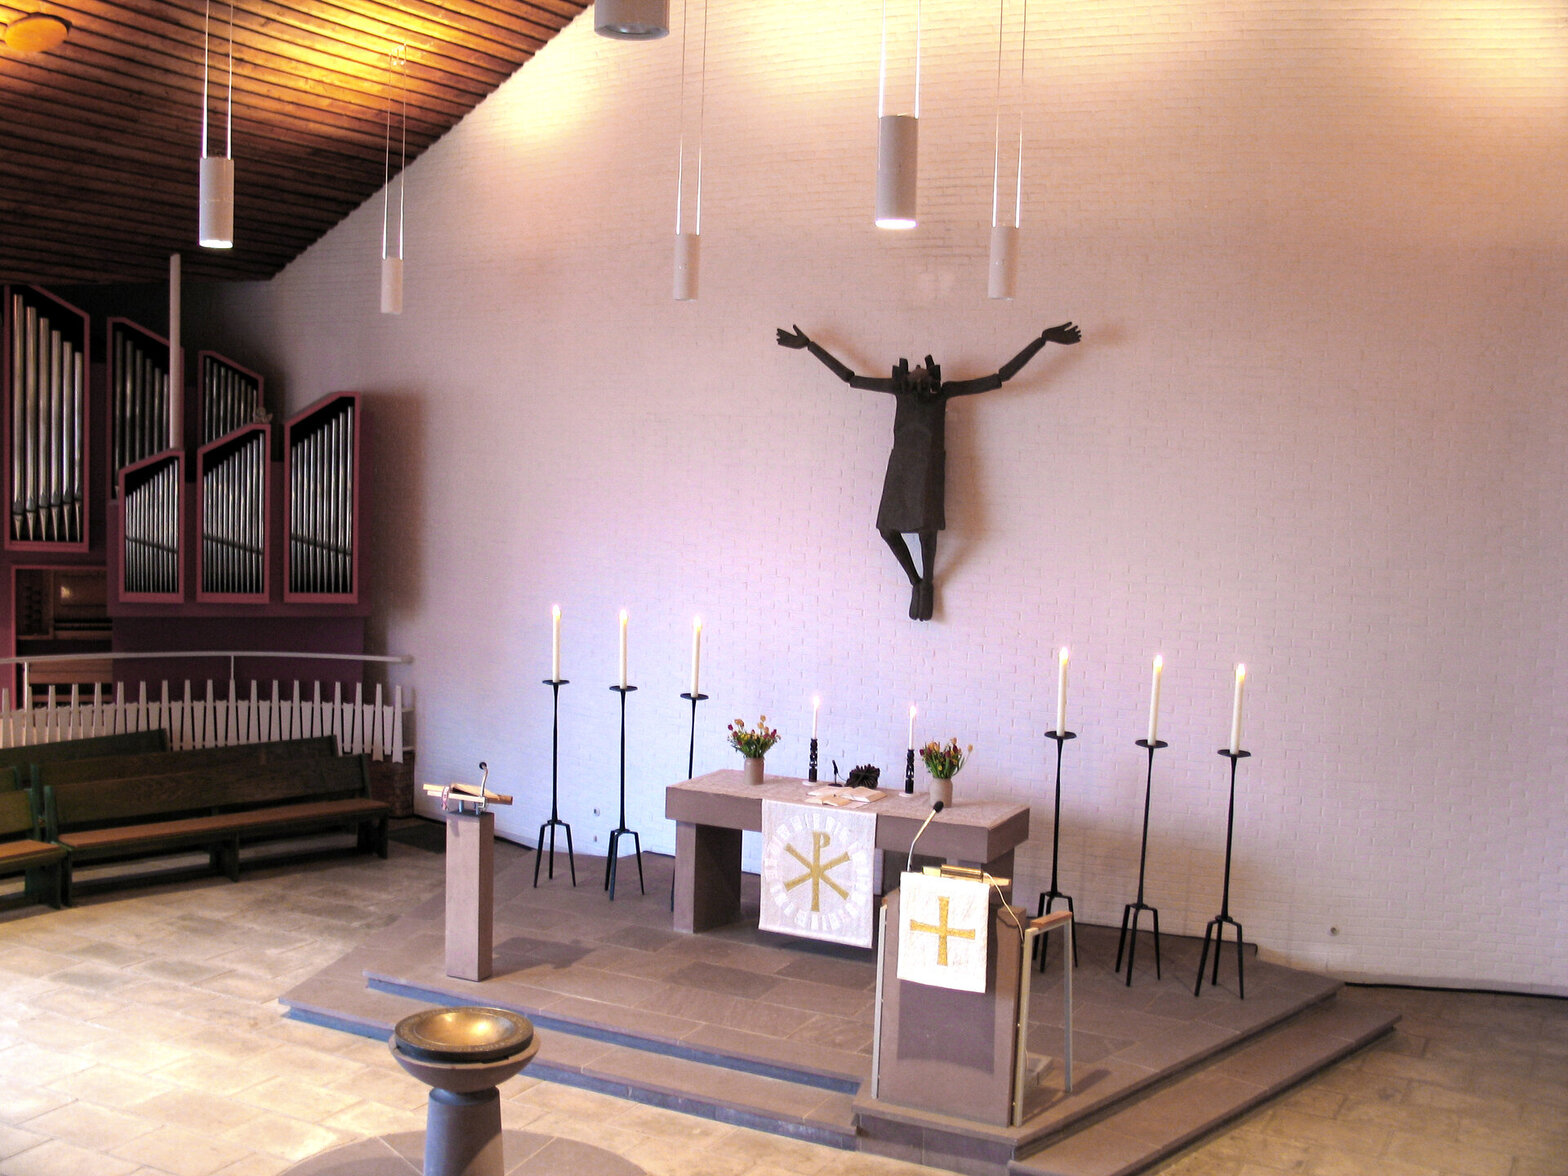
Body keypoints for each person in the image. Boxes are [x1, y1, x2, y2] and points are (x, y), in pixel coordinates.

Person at [777, 322, 1081, 619]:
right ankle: (916, 580)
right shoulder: (899, 391)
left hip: (928, 464)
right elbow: (850, 378)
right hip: (900, 465)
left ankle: (927, 580)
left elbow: (999, 377)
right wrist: (809, 346)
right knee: (886, 528)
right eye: (914, 369)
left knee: (926, 529)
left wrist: (1042, 340)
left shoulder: (942, 393)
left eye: (922, 369)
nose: (918, 370)